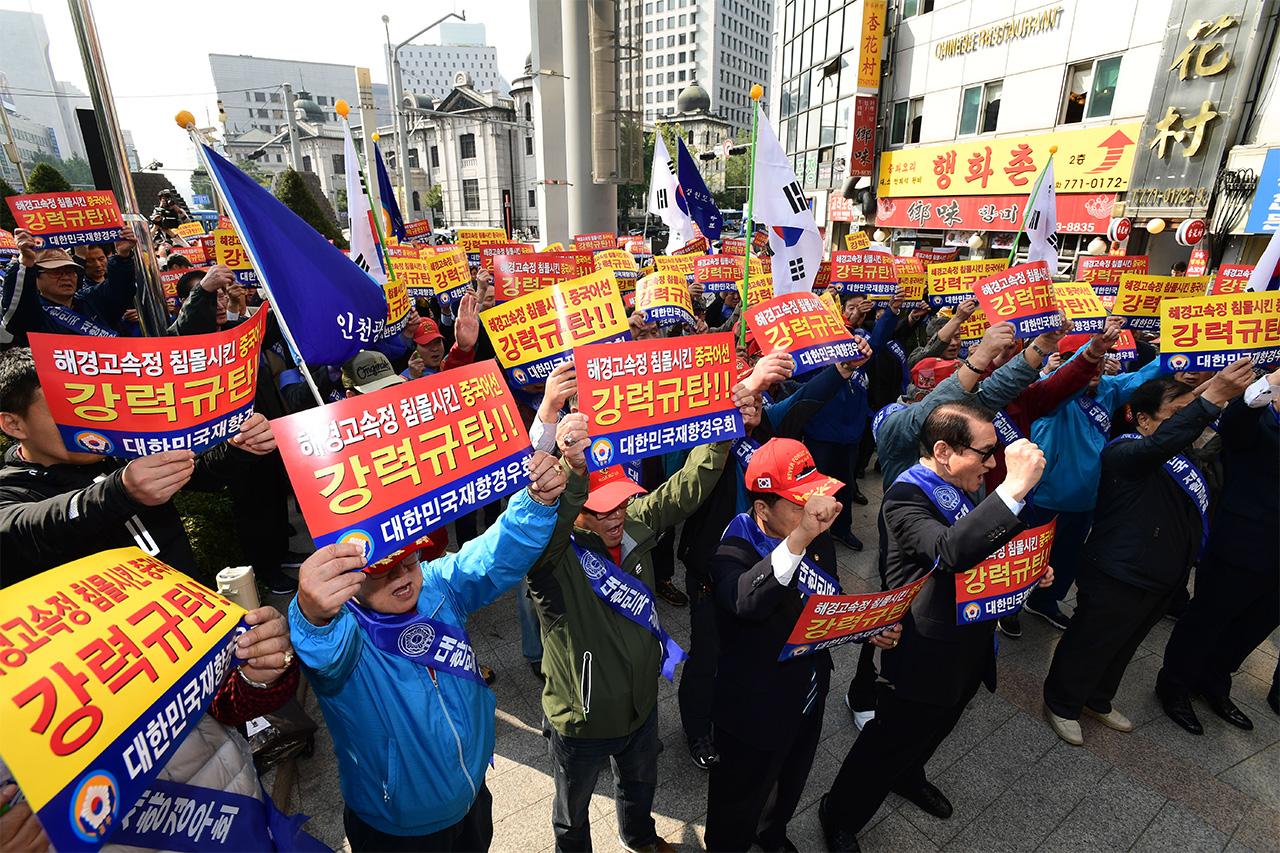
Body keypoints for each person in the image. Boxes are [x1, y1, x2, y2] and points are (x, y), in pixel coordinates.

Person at [289, 450, 568, 852]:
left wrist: (538, 501)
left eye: (410, 559)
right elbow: (323, 654)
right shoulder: (343, 632)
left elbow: (493, 553)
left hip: (472, 795)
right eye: (384, 568)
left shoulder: (436, 587)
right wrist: (311, 614)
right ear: (348, 577)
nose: (403, 576)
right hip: (398, 827)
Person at [821, 402, 1051, 852]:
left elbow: (981, 544)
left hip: (966, 643)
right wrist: (1014, 488)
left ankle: (908, 776)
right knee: (888, 741)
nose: (992, 463)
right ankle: (840, 811)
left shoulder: (960, 485)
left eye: (996, 454)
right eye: (985, 454)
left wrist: (1026, 568)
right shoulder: (904, 497)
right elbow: (948, 550)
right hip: (921, 650)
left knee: (938, 726)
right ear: (944, 450)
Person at [527, 409, 737, 853]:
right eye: (601, 509)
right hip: (580, 720)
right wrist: (573, 472)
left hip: (641, 707)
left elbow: (685, 489)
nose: (616, 516)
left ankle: (638, 837)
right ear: (576, 510)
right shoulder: (551, 559)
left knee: (640, 787)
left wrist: (723, 425)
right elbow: (546, 530)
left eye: (621, 501)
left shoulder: (636, 521)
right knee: (572, 812)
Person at [1042, 361, 1256, 746]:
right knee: (1092, 640)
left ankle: (1097, 699)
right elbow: (1161, 444)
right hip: (1119, 570)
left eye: (1193, 412)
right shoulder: (1125, 452)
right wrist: (1210, 399)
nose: (1189, 423)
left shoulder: (1190, 456)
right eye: (1179, 414)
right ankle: (1061, 702)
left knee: (1125, 644)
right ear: (1142, 419)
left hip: (1163, 576)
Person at [704, 438, 900, 853]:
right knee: (737, 802)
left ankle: (771, 834)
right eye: (798, 505)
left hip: (808, 690)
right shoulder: (731, 548)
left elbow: (826, 600)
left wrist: (867, 627)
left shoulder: (816, 537)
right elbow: (746, 601)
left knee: (791, 777)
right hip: (754, 708)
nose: (813, 511)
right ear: (762, 509)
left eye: (814, 497)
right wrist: (800, 538)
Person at [0, 347, 279, 586]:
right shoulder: (11, 491)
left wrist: (239, 448)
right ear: (13, 424)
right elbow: (27, 529)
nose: (88, 420)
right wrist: (120, 491)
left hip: (192, 617)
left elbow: (197, 472)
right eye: (65, 410)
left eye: (90, 401)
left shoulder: (120, 448)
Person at [1156, 367, 1279, 733]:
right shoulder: (1256, 423)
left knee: (1251, 629)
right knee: (1206, 621)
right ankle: (1174, 685)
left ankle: (1214, 682)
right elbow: (1239, 417)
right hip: (1241, 546)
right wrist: (1270, 381)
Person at [1020, 331, 1164, 630]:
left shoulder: (1108, 389)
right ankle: (1007, 610)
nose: (1096, 369)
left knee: (1067, 558)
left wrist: (1184, 352)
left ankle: (1044, 602)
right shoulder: (1051, 393)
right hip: (1046, 497)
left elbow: (1143, 377)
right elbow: (1062, 384)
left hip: (1086, 498)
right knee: (1029, 558)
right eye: (1088, 360)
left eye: (1100, 361)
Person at [2, 227, 139, 344]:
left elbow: (120, 289)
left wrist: (122, 256)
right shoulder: (32, 313)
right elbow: (15, 305)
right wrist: (25, 263)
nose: (66, 277)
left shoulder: (90, 301)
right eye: (56, 272)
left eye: (70, 271)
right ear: (36, 278)